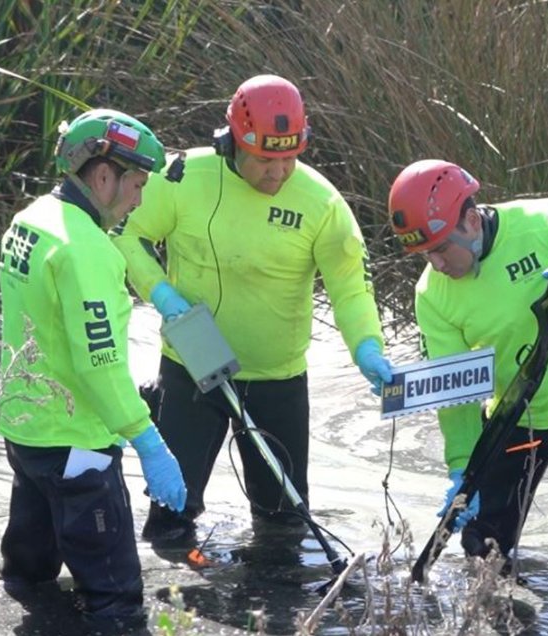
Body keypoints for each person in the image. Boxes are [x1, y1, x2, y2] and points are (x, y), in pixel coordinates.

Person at [112, 74, 393, 542]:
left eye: (289, 159)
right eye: (265, 159)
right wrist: (160, 294)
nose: (279, 173)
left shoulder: (321, 202)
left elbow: (350, 289)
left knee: (282, 527)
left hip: (277, 379)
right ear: (231, 142)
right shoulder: (184, 177)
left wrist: (367, 348)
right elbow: (125, 232)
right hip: (192, 364)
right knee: (170, 522)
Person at [386, 159, 548, 599]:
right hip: (517, 415)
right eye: (423, 254)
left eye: (440, 248)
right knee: (482, 547)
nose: (435, 263)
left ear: (470, 221)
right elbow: (456, 391)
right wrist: (460, 469)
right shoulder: (432, 295)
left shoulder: (547, 221)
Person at [0, 108, 187, 627]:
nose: (139, 199)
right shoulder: (87, 251)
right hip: (77, 449)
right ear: (104, 175)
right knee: (117, 605)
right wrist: (148, 441)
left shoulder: (29, 221)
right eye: (137, 183)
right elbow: (99, 362)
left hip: (24, 432)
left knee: (27, 581)